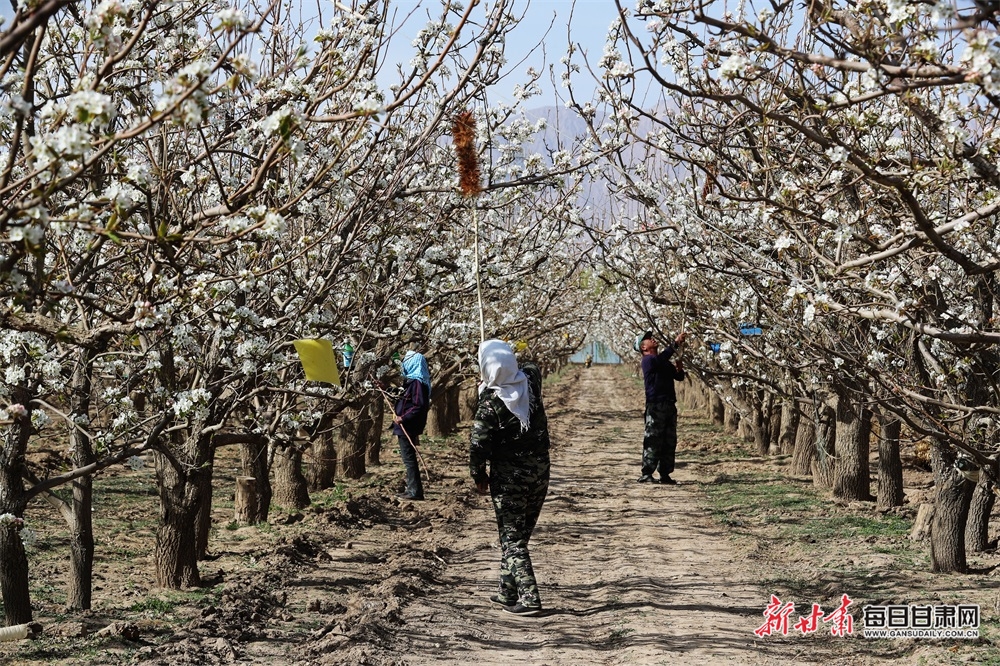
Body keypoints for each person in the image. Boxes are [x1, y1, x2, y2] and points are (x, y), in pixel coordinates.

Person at [469, 339, 550, 617]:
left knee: (512, 538)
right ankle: (507, 591)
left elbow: (478, 445)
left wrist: (478, 475)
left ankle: (530, 598)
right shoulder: (530, 383)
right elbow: (531, 366)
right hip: (539, 471)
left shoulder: (489, 404)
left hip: (508, 477)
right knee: (519, 535)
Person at [636, 330, 686, 484]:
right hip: (656, 405)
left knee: (669, 440)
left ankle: (665, 473)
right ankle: (646, 473)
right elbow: (663, 357)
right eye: (648, 339)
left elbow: (679, 377)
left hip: (669, 404)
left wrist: (679, 368)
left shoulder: (662, 361)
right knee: (653, 439)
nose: (652, 339)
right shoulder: (648, 360)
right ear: (643, 347)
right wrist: (675, 343)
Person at [393, 350, 431, 500]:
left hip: (408, 426)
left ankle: (414, 491)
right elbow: (401, 397)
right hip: (407, 425)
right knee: (408, 458)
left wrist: (403, 418)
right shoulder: (410, 382)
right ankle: (412, 489)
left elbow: (418, 405)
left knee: (409, 459)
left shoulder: (417, 383)